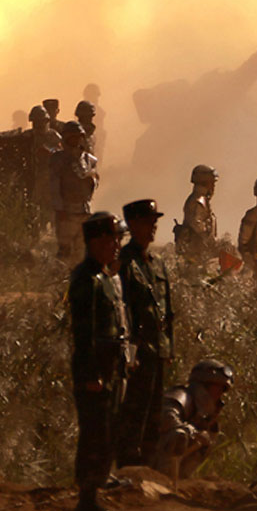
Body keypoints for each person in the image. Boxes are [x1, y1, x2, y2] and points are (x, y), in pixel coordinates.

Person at [69, 211, 132, 511]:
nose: (116, 245)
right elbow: (83, 334)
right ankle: (87, 498)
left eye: (118, 240)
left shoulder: (108, 277)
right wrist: (89, 374)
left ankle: (101, 480)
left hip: (112, 366)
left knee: (109, 428)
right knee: (95, 432)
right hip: (96, 369)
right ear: (95, 242)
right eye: (111, 240)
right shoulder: (86, 280)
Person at [114, 199, 176, 468]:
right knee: (133, 410)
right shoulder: (124, 263)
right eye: (148, 222)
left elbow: (167, 309)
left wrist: (169, 347)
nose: (153, 227)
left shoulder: (158, 263)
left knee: (154, 411)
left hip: (158, 349)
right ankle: (128, 462)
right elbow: (121, 311)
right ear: (133, 225)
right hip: (137, 351)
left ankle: (148, 463)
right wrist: (127, 354)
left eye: (155, 222)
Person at [152, 359, 233, 481]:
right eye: (217, 387)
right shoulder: (181, 397)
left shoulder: (206, 411)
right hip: (150, 454)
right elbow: (167, 419)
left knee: (205, 439)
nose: (220, 394)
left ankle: (179, 480)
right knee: (179, 436)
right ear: (204, 384)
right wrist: (193, 433)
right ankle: (161, 478)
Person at [51, 121, 99, 263]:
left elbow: (95, 182)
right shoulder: (58, 159)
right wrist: (60, 209)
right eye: (71, 137)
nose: (75, 140)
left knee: (82, 252)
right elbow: (54, 186)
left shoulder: (90, 160)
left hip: (84, 209)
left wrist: (90, 178)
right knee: (64, 251)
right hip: (67, 211)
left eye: (77, 137)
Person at [176, 164, 222, 267]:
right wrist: (212, 242)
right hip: (195, 254)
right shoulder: (197, 201)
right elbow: (197, 226)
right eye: (212, 183)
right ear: (204, 182)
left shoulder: (202, 200)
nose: (214, 186)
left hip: (202, 254)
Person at [27, 104, 59, 225]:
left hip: (51, 176)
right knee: (34, 205)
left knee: (51, 206)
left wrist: (49, 151)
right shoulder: (29, 136)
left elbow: (61, 152)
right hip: (34, 176)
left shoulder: (53, 135)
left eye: (40, 122)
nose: (38, 125)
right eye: (36, 122)